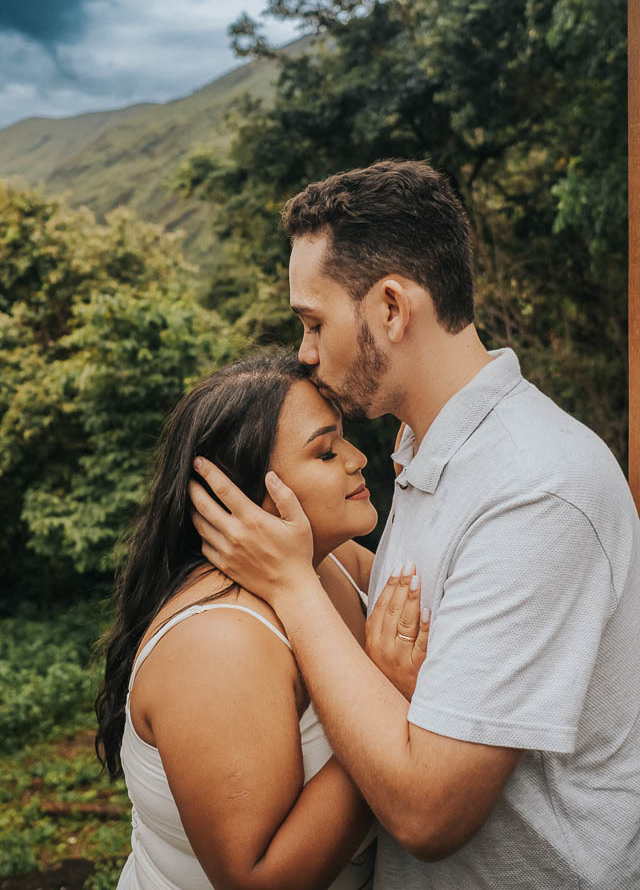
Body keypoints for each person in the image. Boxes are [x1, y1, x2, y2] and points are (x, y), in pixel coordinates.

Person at [189, 160, 640, 890]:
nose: (304, 351)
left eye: (314, 321)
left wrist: (292, 586)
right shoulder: (424, 449)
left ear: (391, 308)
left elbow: (430, 816)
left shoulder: (534, 489)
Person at [95, 351, 430, 890]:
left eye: (343, 438)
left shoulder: (336, 565)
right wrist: (390, 699)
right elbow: (259, 880)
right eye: (324, 453)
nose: (356, 459)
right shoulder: (219, 643)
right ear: (249, 500)